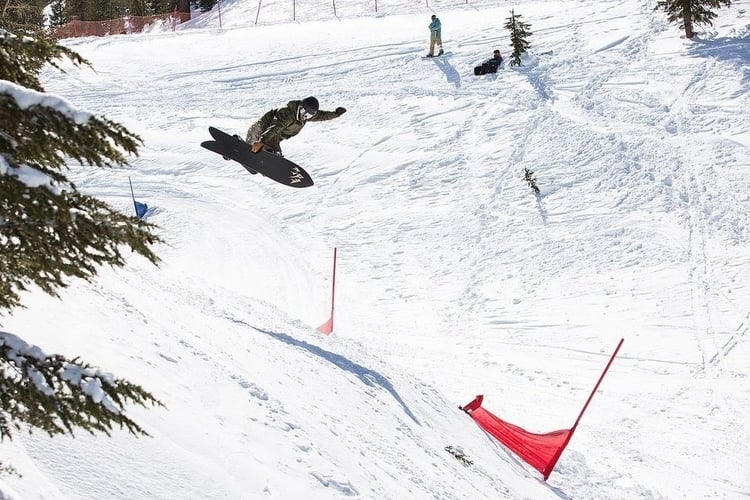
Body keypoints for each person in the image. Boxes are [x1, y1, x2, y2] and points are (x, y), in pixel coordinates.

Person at [245, 96, 346, 156]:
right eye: (303, 112)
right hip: (260, 131)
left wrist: (336, 114)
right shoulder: (288, 114)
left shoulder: (304, 117)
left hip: (269, 137)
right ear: (300, 107)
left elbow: (322, 115)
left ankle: (264, 159)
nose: (304, 116)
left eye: (309, 115)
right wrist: (261, 141)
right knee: (274, 152)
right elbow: (275, 128)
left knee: (273, 151)